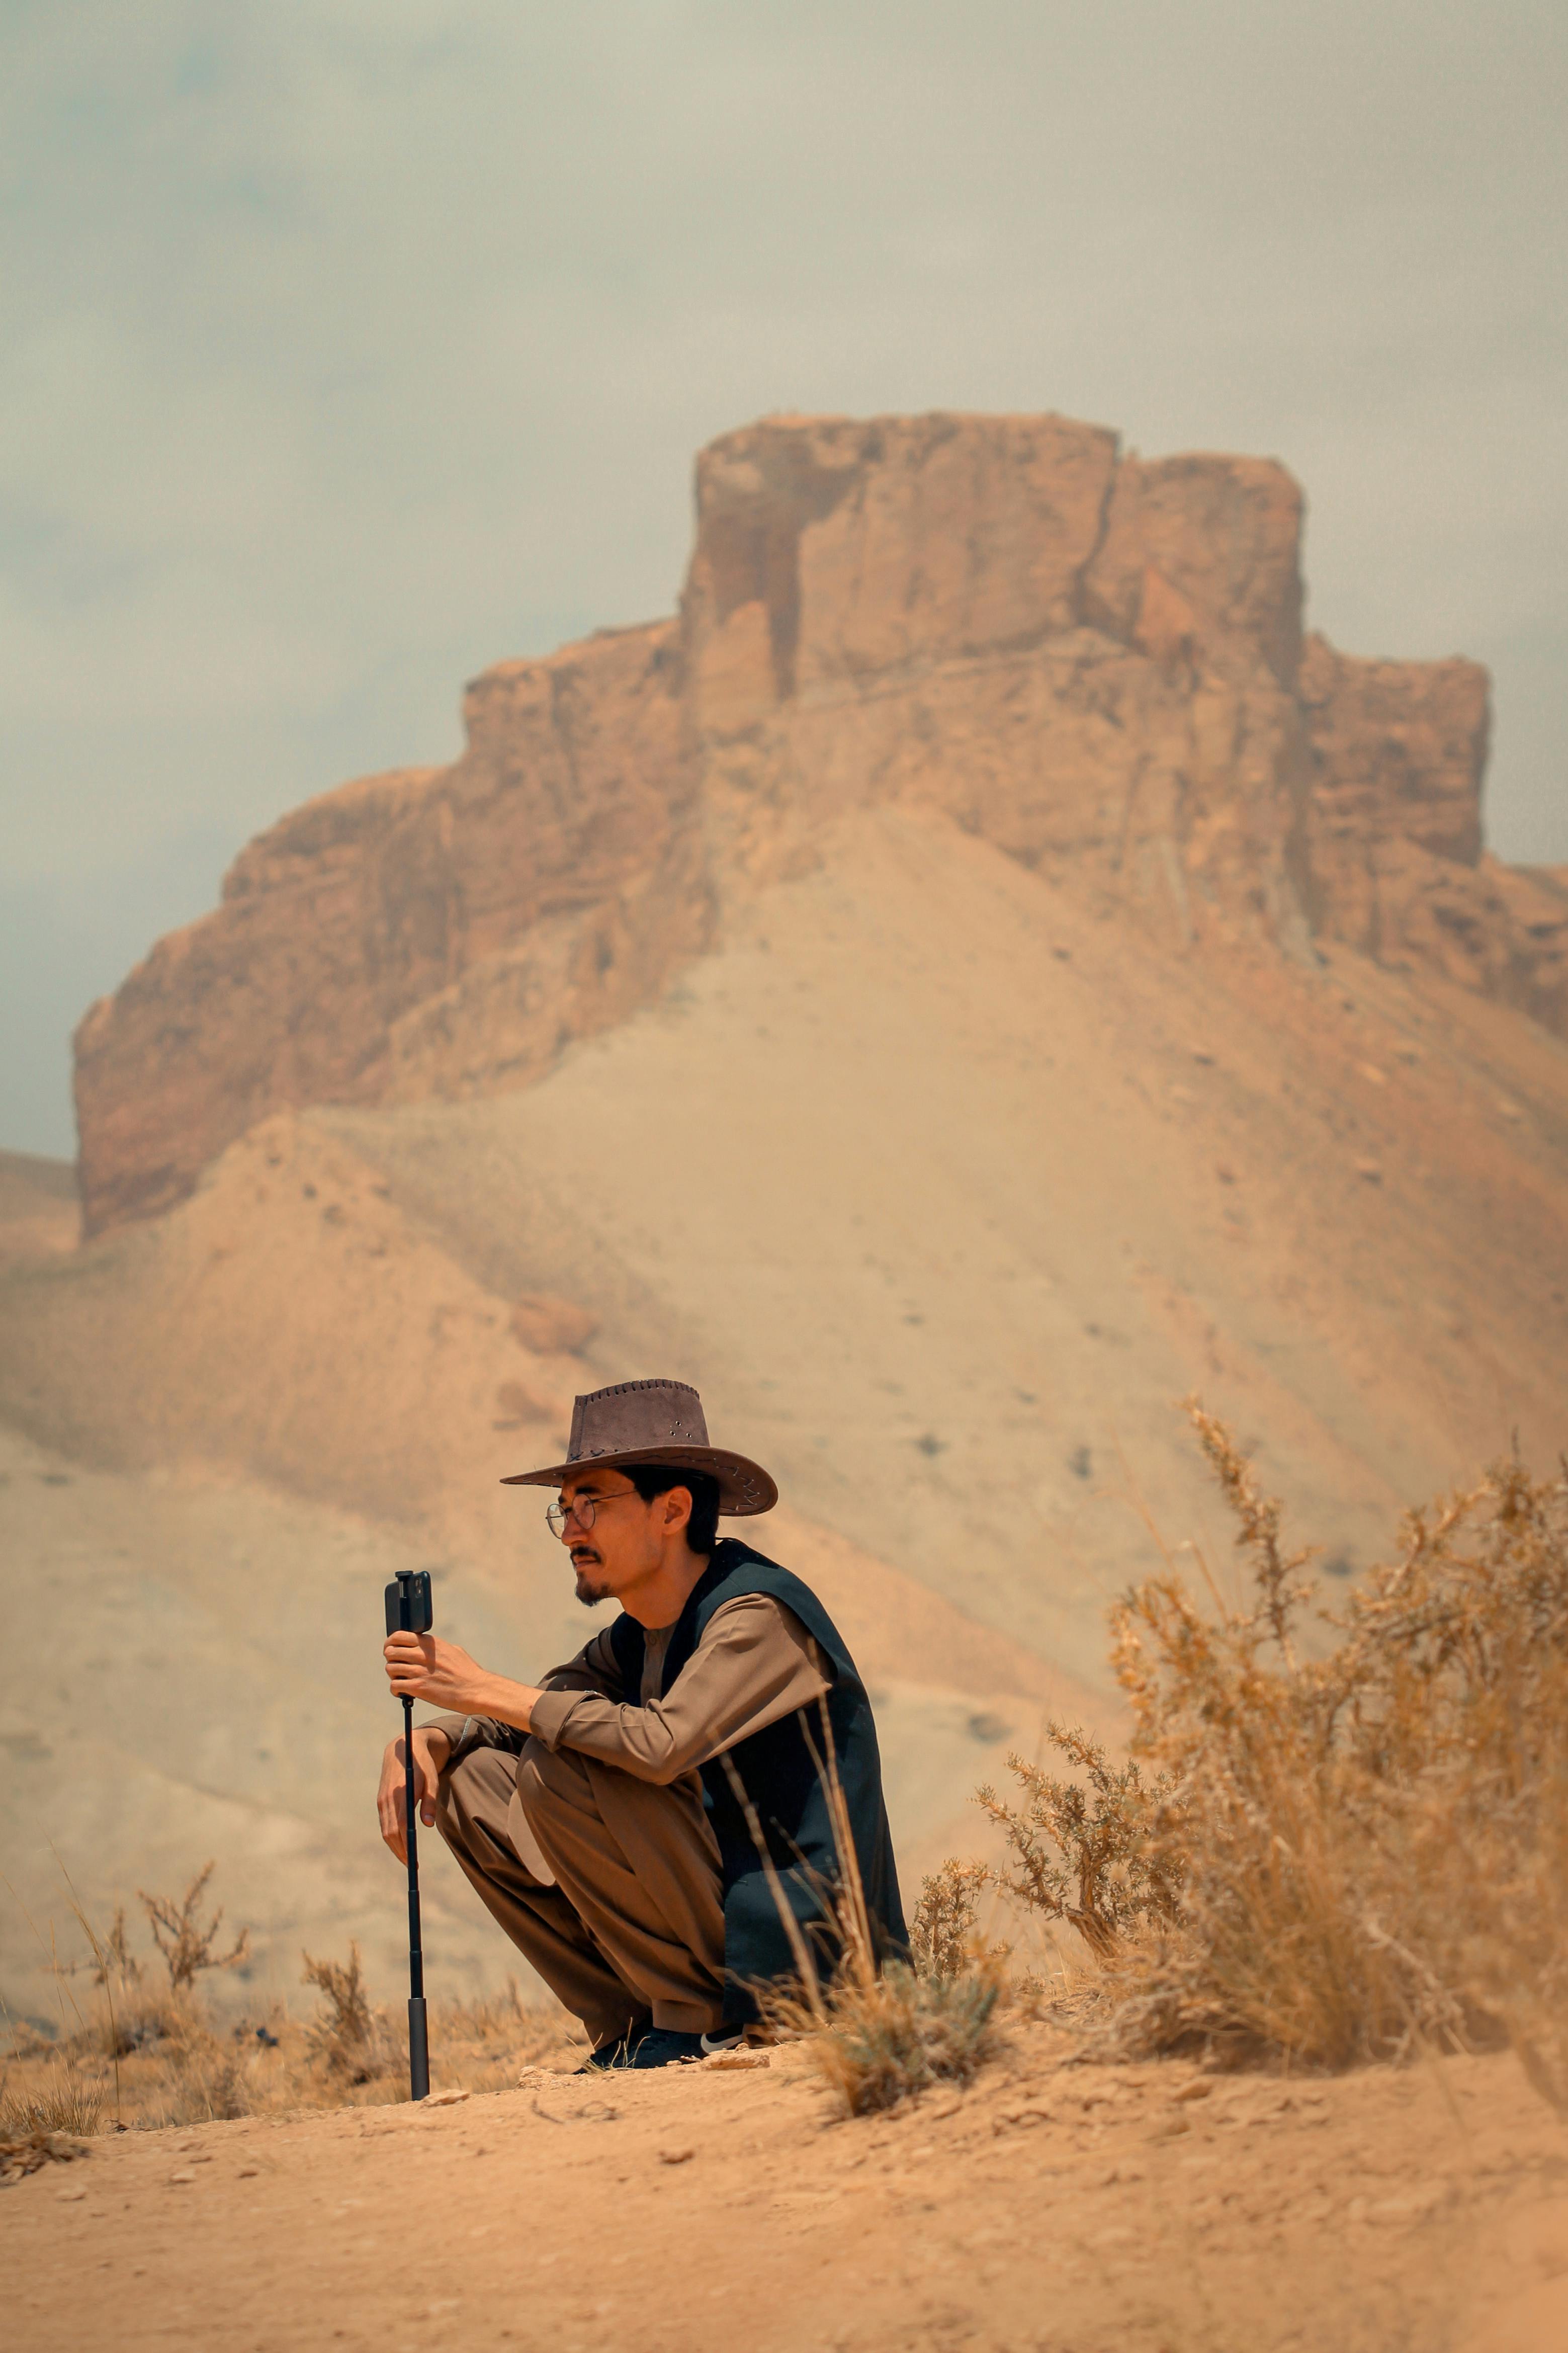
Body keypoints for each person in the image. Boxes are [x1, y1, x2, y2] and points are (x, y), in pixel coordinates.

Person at [378, 1377, 905, 2069]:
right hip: (727, 1923)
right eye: (562, 1509)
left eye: (591, 1503)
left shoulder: (756, 1616)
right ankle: (636, 2028)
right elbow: (539, 1710)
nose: (570, 1530)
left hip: (804, 1950)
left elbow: (661, 1746)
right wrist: (430, 1739)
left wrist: (480, 1689)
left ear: (673, 1508)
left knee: (562, 1766)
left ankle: (701, 2022)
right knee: (474, 1780)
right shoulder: (640, 1633)